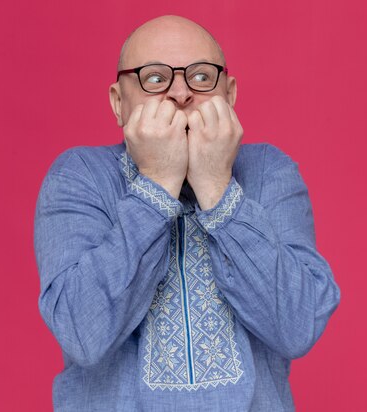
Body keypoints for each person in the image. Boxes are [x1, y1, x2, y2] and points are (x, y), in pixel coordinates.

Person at [34, 15, 340, 411]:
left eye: (200, 77)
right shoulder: (80, 176)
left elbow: (298, 328)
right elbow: (80, 332)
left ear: (228, 95)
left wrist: (217, 188)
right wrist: (157, 184)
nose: (180, 93)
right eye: (155, 79)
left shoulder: (269, 171)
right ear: (118, 103)